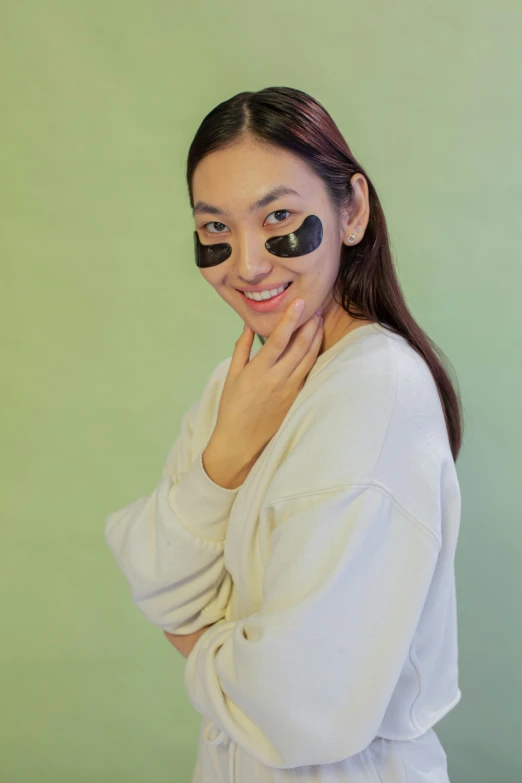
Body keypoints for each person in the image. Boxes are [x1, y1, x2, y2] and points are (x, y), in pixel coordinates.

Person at [104, 86, 464, 783]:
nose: (245, 264)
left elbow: (298, 706)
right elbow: (150, 574)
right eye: (215, 230)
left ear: (351, 210)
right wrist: (225, 454)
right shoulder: (239, 385)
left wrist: (198, 639)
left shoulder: (375, 391)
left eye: (279, 217)